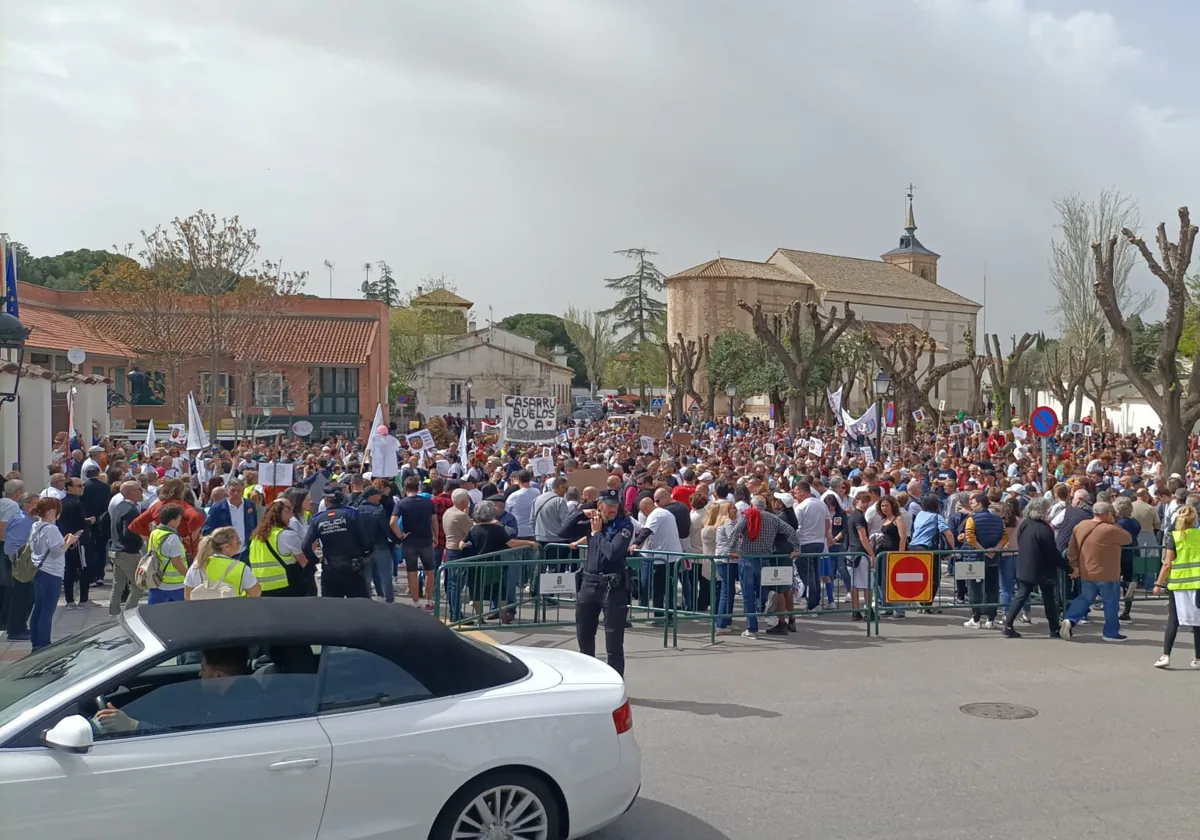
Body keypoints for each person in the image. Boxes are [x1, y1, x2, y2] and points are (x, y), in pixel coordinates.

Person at [92, 647, 266, 736]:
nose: (200, 674)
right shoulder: (242, 692)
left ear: (219, 676)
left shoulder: (234, 711)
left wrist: (132, 726)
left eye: (203, 669)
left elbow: (187, 744)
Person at [570, 489, 634, 675]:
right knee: (584, 637)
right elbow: (562, 531)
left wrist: (596, 534)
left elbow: (612, 553)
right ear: (600, 505)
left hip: (613, 588)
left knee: (613, 642)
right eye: (609, 505)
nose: (613, 509)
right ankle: (588, 678)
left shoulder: (624, 525)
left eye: (616, 505)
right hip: (589, 584)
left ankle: (615, 682)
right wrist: (581, 514)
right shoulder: (593, 522)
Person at [1061, 500, 1132, 642]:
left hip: (1087, 571)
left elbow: (1072, 548)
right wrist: (1112, 522)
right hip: (1108, 573)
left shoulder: (1080, 526)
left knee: (1085, 598)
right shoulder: (1110, 529)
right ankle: (1110, 632)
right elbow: (1128, 539)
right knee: (1111, 603)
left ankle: (1070, 619)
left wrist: (1074, 565)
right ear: (1107, 514)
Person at [461, 501, 538, 624]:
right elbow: (511, 543)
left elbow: (462, 543)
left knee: (476, 592)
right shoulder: (497, 529)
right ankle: (504, 617)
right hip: (494, 564)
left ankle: (479, 618)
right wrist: (529, 543)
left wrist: (466, 547)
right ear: (492, 513)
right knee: (500, 591)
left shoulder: (473, 529)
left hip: (476, 565)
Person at [1003, 496, 1068, 638]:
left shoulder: (1025, 523)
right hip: (1043, 568)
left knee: (1021, 595)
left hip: (1025, 565)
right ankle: (1054, 628)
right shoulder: (1044, 529)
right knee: (1049, 598)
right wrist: (1067, 567)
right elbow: (1053, 553)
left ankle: (1008, 624)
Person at [1152, 504, 1200, 669]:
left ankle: (1166, 655)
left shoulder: (1174, 536)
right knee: (1198, 622)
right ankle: (1198, 658)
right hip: (1198, 582)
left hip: (1178, 583)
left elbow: (1167, 564)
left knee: (1173, 620)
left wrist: (1158, 583)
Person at [28, 497, 80, 650]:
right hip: (51, 572)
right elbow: (58, 551)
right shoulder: (51, 529)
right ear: (51, 511)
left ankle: (36, 643)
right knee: (47, 611)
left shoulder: (36, 525)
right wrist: (70, 541)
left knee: (38, 608)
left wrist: (64, 542)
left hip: (39, 570)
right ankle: (44, 644)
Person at [301, 488, 370, 598]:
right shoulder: (352, 513)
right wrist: (364, 554)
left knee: (332, 609)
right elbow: (365, 540)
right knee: (359, 606)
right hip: (352, 568)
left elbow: (305, 546)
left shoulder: (318, 519)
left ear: (327, 500)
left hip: (330, 569)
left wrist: (316, 560)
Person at [392, 475, 439, 610]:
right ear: (418, 488)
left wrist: (400, 535)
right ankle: (429, 600)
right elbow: (434, 521)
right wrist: (435, 536)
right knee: (430, 571)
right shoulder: (428, 502)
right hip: (426, 540)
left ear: (405, 488)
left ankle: (415, 602)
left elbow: (392, 522)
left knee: (411, 572)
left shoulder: (402, 503)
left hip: (409, 541)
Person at [247, 499, 304, 597]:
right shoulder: (287, 535)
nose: (291, 516)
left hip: (261, 587)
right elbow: (303, 561)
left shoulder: (255, 537)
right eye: (287, 512)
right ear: (278, 515)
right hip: (283, 586)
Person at [185, 527, 261, 600]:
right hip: (233, 611)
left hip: (203, 612)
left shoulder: (198, 565)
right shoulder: (240, 568)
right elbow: (256, 593)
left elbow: (187, 596)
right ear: (227, 547)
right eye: (238, 542)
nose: (240, 544)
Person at [202, 477, 259, 560]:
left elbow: (254, 525)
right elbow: (207, 530)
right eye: (233, 490)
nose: (236, 493)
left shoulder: (250, 505)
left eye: (239, 491)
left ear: (243, 491)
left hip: (245, 552)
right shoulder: (217, 508)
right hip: (226, 552)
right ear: (227, 491)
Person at [144, 504, 189, 604]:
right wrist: (189, 576)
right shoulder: (172, 538)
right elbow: (176, 563)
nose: (180, 522)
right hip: (175, 585)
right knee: (187, 613)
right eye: (179, 519)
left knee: (153, 615)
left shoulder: (155, 532)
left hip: (157, 581)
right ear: (172, 521)